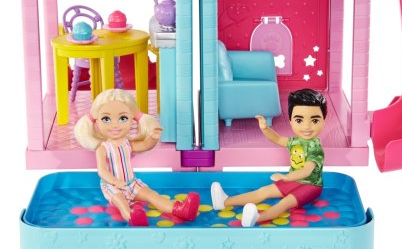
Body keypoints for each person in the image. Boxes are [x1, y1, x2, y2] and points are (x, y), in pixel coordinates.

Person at [74, 89, 200, 226]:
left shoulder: (128, 144)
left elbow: (145, 145)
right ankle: (132, 217)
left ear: (132, 120)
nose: (115, 125)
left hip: (132, 183)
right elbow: (102, 171)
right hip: (112, 187)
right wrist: (115, 182)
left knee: (152, 195)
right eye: (106, 119)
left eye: (123, 118)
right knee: (121, 203)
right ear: (97, 122)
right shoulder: (103, 148)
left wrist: (153, 138)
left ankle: (181, 210)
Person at [211, 88, 327, 227]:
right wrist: (265, 129)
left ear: (323, 121)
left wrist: (286, 177)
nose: (306, 126)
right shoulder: (295, 141)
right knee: (263, 191)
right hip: (293, 181)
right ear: (290, 121)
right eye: (299, 120)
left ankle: (257, 218)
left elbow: (306, 171)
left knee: (284, 203)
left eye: (314, 120)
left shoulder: (316, 149)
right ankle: (224, 202)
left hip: (311, 186)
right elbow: (277, 139)